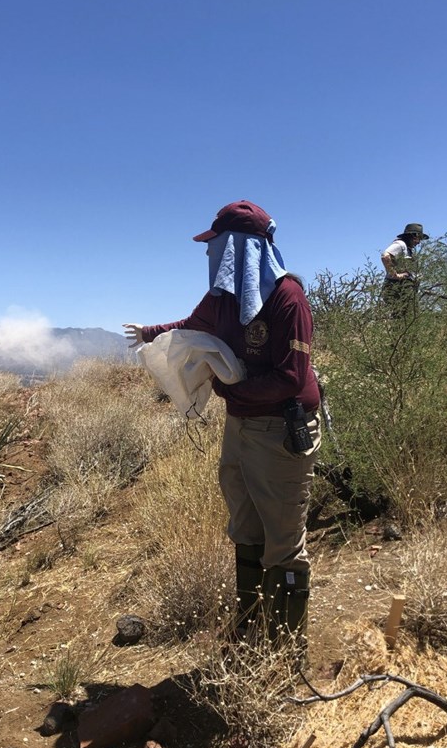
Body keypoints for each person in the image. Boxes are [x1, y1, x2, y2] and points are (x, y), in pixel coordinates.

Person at [124, 200, 321, 644]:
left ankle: (284, 650)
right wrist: (150, 333)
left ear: (239, 248)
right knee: (245, 524)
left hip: (281, 430)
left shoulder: (288, 297)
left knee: (284, 539)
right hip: (242, 426)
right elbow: (192, 325)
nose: (210, 254)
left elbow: (292, 378)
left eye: (216, 245)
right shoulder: (223, 298)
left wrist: (229, 390)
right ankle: (250, 627)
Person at [380, 223, 430, 313]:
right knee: (403, 316)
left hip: (404, 288)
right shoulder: (400, 244)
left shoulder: (408, 249)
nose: (418, 242)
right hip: (397, 287)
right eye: (417, 238)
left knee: (407, 316)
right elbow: (385, 256)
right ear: (411, 236)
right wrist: (395, 275)